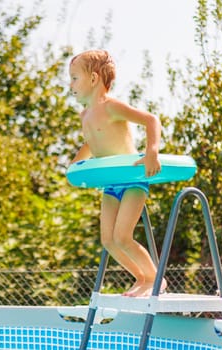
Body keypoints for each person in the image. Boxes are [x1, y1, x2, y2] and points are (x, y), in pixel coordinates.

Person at [69, 49, 166, 297]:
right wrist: (75, 167)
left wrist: (152, 151)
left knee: (122, 236)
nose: (70, 85)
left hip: (132, 179)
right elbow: (92, 142)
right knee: (108, 241)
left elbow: (151, 120)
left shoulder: (111, 107)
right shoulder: (85, 115)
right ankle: (142, 278)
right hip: (111, 184)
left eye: (74, 78)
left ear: (93, 79)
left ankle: (156, 280)